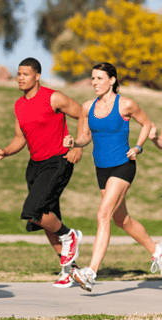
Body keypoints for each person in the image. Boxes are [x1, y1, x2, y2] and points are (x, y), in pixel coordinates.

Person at [63, 62, 162, 292]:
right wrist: (75, 143)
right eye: (92, 78)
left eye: (99, 78)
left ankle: (90, 272)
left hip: (123, 166)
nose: (94, 82)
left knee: (103, 214)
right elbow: (86, 136)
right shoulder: (88, 107)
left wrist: (138, 147)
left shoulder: (126, 104)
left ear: (112, 80)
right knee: (121, 220)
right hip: (102, 169)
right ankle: (157, 251)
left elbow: (146, 124)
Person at [0, 57, 84, 289]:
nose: (20, 78)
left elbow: (83, 114)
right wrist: (5, 151)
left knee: (33, 211)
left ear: (37, 76)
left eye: (25, 74)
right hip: (35, 165)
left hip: (58, 161)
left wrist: (78, 145)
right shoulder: (19, 105)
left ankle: (70, 236)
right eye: (19, 74)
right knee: (47, 217)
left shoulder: (54, 97)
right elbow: (20, 138)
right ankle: (69, 269)